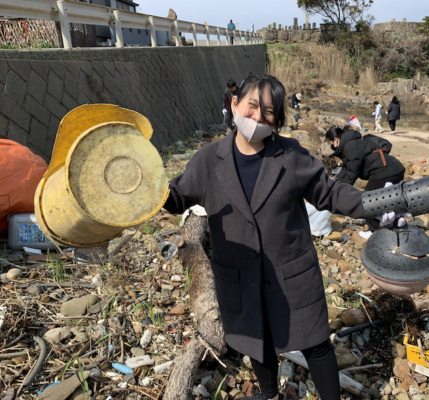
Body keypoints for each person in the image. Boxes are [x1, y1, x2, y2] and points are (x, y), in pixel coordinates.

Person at [164, 74, 400, 400]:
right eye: (252, 106)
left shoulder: (291, 156)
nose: (259, 117)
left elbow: (332, 194)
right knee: (256, 343)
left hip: (292, 273)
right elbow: (176, 198)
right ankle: (270, 394)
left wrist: (391, 200)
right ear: (235, 104)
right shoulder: (209, 160)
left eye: (270, 112)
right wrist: (146, 189)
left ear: (277, 119)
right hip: (239, 276)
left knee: (316, 344)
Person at [326, 126, 405, 239]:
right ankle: (398, 220)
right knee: (387, 199)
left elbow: (353, 172)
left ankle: (374, 231)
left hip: (384, 172)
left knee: (368, 201)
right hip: (393, 169)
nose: (332, 147)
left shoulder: (350, 146)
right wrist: (334, 183)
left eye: (331, 144)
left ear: (335, 140)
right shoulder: (352, 143)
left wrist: (340, 192)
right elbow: (346, 169)